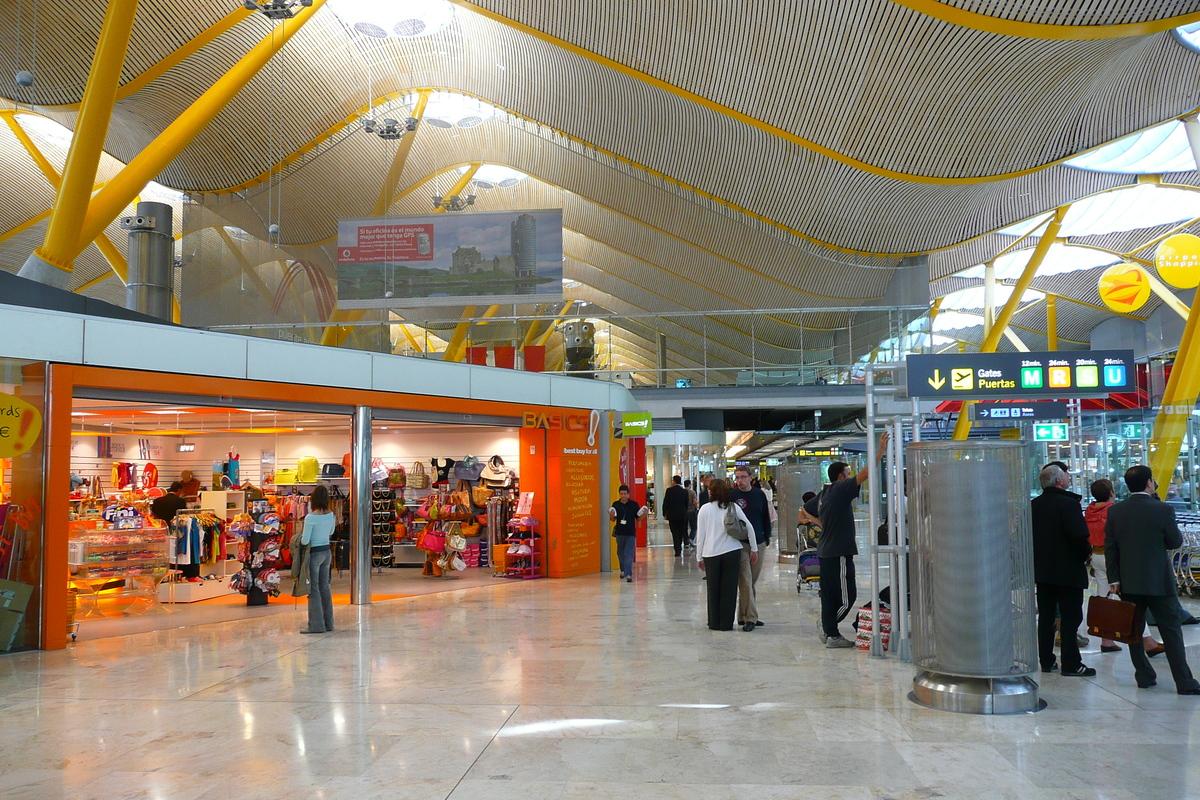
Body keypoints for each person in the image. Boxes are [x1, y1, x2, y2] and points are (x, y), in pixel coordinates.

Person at [1106, 465, 1200, 694]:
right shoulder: (1163, 509)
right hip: (1159, 580)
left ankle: (1144, 675)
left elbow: (1111, 547)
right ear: (1149, 483)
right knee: (1171, 630)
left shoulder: (1116, 511)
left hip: (1129, 581)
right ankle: (1184, 682)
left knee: (1134, 630)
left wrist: (1114, 578)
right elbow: (1175, 542)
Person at [804, 432, 888, 648]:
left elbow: (804, 509)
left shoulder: (824, 493)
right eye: (848, 473)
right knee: (846, 596)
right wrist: (880, 452)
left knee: (830, 593)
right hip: (837, 552)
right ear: (841, 478)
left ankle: (830, 631)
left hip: (827, 550)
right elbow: (866, 473)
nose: (851, 476)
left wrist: (822, 523)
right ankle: (829, 629)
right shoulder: (841, 490)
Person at [1085, 479, 1164, 656]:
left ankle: (1106, 639)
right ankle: (1147, 641)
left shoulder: (1090, 511)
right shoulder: (1113, 511)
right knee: (1132, 601)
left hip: (1096, 556)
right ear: (1112, 493)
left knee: (1105, 598)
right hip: (1114, 558)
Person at [1031, 464, 1095, 677]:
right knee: (1070, 618)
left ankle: (1047, 661)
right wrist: (1084, 553)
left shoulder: (1034, 505)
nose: (1068, 478)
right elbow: (1078, 535)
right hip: (1068, 571)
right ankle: (1071, 663)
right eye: (1066, 475)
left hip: (1043, 571)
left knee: (1046, 616)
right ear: (1059, 481)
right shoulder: (1068, 504)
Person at [696, 478, 756, 631]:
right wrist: (754, 549)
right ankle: (726, 624)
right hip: (732, 552)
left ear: (711, 491)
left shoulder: (704, 509)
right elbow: (749, 527)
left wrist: (699, 557)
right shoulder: (733, 507)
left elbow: (700, 536)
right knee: (729, 590)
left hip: (711, 554)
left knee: (713, 589)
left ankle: (714, 622)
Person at [731, 465, 773, 632]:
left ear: (750, 478)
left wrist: (767, 537)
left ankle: (743, 615)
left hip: (759, 541)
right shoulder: (732, 496)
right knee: (745, 580)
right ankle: (751, 618)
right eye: (737, 477)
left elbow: (765, 517)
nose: (740, 481)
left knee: (751, 581)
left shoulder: (759, 494)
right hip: (740, 543)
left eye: (742, 477)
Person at [300, 484, 336, 634]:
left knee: (313, 589)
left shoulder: (310, 517)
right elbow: (331, 531)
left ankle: (316, 625)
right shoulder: (331, 514)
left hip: (314, 553)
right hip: (327, 552)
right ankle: (329, 623)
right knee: (325, 587)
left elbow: (304, 540)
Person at [609, 484, 646, 582]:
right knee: (620, 553)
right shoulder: (616, 505)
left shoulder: (634, 505)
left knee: (628, 554)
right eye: (621, 494)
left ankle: (628, 574)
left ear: (628, 494)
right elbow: (613, 520)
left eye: (625, 494)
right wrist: (611, 515)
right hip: (620, 532)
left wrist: (644, 515)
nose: (623, 496)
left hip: (630, 533)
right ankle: (623, 570)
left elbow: (638, 519)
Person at [662, 476, 690, 558]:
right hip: (682, 515)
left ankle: (677, 550)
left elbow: (666, 502)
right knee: (681, 532)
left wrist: (664, 512)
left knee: (674, 532)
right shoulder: (684, 492)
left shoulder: (669, 491)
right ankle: (680, 547)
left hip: (672, 515)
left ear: (674, 481)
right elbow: (686, 503)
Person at [685, 479, 699, 549]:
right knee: (693, 527)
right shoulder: (692, 492)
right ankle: (691, 538)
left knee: (685, 528)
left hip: (684, 512)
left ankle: (686, 541)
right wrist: (696, 508)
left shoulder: (683, 492)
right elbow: (694, 502)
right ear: (689, 485)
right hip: (691, 511)